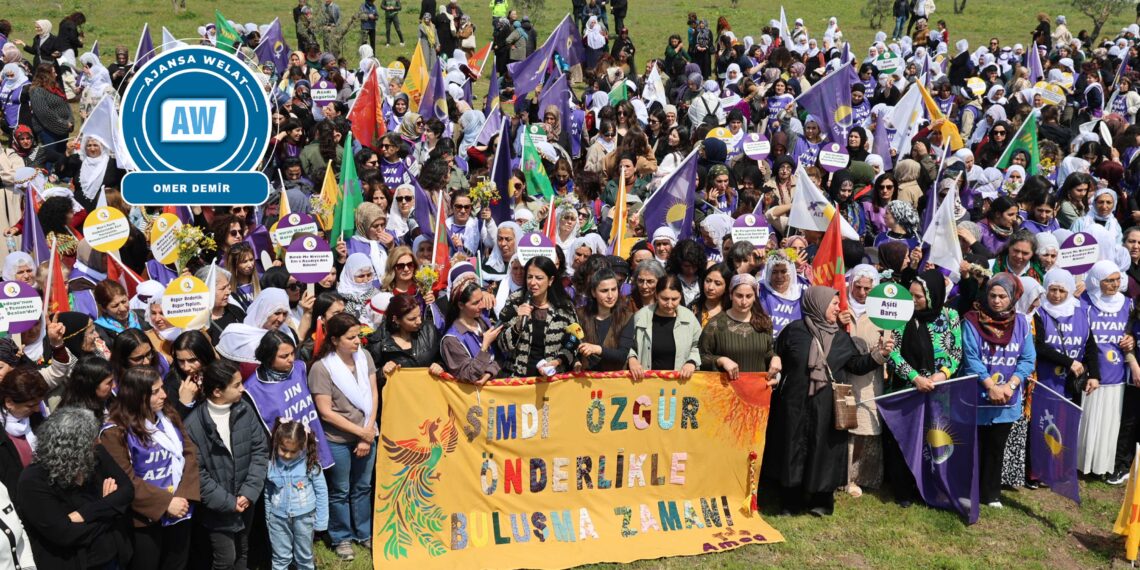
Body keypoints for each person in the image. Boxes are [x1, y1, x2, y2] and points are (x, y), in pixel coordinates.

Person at [765, 286, 892, 516]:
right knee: (793, 447)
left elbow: (856, 365)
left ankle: (820, 501)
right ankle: (789, 501)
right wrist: (773, 358)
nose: (838, 308)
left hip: (827, 407)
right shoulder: (794, 331)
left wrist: (879, 355)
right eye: (833, 303)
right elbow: (776, 354)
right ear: (818, 304)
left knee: (823, 448)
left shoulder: (842, 338)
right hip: (794, 404)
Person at [100, 367, 201, 570]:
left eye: (162, 388)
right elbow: (125, 480)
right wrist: (166, 504)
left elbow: (189, 454)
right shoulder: (115, 431)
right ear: (136, 396)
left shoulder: (168, 415)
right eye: (154, 392)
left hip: (181, 508)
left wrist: (181, 497)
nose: (164, 395)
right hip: (144, 521)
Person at [17, 407, 134, 570]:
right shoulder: (33, 481)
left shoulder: (96, 455)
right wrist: (110, 509)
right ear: (76, 448)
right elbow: (65, 534)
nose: (98, 444)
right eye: (93, 441)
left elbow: (127, 490)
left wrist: (86, 513)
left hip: (114, 557)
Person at [884, 269, 963, 506]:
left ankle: (932, 486)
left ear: (933, 295)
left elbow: (956, 352)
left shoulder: (950, 315)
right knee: (906, 437)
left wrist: (942, 375)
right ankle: (903, 490)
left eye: (918, 297)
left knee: (935, 437)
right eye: (911, 295)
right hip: (908, 389)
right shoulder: (902, 315)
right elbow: (893, 353)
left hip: (940, 390)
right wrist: (915, 377)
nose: (913, 301)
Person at [185, 358, 269, 570]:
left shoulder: (244, 410)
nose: (243, 388)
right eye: (236, 385)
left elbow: (259, 451)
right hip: (217, 509)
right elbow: (197, 473)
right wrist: (228, 502)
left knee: (243, 550)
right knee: (225, 558)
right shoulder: (194, 425)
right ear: (217, 391)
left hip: (245, 500)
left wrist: (248, 493)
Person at [961, 273, 1035, 508]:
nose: (996, 300)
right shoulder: (971, 321)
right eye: (992, 295)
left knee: (996, 446)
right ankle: (969, 489)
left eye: (1002, 296)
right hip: (978, 395)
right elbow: (971, 358)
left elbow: (1028, 358)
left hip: (1007, 397)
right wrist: (991, 386)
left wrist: (1010, 386)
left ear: (1012, 297)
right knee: (975, 446)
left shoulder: (1022, 323)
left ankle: (991, 493)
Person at [308, 312, 378, 561]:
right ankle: (341, 537)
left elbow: (373, 394)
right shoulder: (321, 368)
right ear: (335, 339)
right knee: (340, 489)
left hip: (367, 434)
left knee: (363, 487)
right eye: (351, 337)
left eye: (358, 335)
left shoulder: (365, 357)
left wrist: (367, 433)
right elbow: (325, 412)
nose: (357, 341)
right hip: (338, 440)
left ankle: (363, 532)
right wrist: (361, 433)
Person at [1078, 261, 1136, 482]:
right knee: (1087, 420)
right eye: (1108, 280)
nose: (1113, 284)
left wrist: (1130, 339)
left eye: (1116, 280)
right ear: (1096, 281)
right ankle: (1082, 464)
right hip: (1092, 374)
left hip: (1117, 375)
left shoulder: (1128, 304)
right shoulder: (1084, 302)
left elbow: (1132, 332)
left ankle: (1103, 465)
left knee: (1110, 424)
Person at [245, 331, 333, 468]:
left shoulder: (300, 368)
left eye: (293, 353)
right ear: (269, 357)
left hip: (313, 444)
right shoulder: (252, 388)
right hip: (285, 455)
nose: (291, 359)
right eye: (284, 356)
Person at [496, 256, 578, 377]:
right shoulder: (515, 301)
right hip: (517, 380)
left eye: (539, 278)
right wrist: (518, 325)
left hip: (552, 380)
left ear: (550, 280)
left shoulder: (565, 306)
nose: (532, 283)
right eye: (529, 277)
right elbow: (502, 345)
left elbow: (574, 340)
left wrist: (557, 361)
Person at [264, 418, 329, 570]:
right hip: (278, 519)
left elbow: (322, 492)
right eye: (283, 449)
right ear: (276, 444)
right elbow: (268, 492)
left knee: (304, 557)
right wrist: (268, 516)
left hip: (304, 519)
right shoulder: (271, 464)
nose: (286, 455)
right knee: (280, 558)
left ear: (302, 447)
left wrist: (321, 521)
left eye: (292, 451)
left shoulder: (310, 464)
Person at [699, 272, 781, 380]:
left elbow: (767, 353)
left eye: (749, 296)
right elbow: (701, 357)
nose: (744, 301)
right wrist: (720, 360)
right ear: (731, 295)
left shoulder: (764, 323)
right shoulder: (715, 324)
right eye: (739, 295)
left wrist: (775, 358)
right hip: (725, 392)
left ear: (755, 297)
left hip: (756, 391)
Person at [627, 275, 701, 381]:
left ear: (681, 296)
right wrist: (632, 359)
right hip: (646, 382)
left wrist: (692, 362)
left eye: (675, 299)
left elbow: (698, 346)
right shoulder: (641, 316)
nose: (669, 304)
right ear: (656, 295)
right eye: (665, 299)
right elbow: (627, 344)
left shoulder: (689, 318)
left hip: (679, 382)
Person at [441, 280, 504, 383]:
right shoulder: (452, 340)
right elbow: (468, 375)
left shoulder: (484, 322)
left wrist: (489, 373)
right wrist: (484, 347)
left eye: (481, 300)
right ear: (461, 305)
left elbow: (500, 357)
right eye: (475, 303)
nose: (482, 305)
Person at [574, 269, 637, 372]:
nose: (610, 296)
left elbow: (622, 355)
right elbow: (572, 346)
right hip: (585, 380)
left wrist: (597, 349)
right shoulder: (580, 315)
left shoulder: (626, 317)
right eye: (604, 291)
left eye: (614, 289)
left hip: (614, 381)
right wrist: (575, 361)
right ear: (593, 292)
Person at [0, 367, 50, 493]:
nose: (37, 409)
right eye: (31, 405)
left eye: (39, 403)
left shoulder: (37, 419)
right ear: (9, 402)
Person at [59, 355, 115, 422]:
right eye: (109, 382)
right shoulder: (79, 420)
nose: (113, 385)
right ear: (92, 386)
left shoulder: (105, 402)